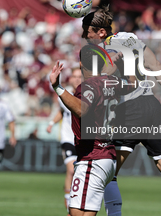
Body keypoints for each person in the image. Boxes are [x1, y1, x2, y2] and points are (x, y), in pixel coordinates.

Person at [81, 6, 161, 216]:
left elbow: (115, 62)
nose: (86, 38)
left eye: (88, 34)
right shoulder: (131, 38)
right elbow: (156, 65)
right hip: (152, 105)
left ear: (101, 32)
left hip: (129, 110)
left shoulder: (105, 48)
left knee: (108, 171)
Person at [49, 45, 136, 216]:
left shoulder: (87, 86)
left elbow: (82, 109)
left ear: (81, 65)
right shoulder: (113, 82)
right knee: (83, 213)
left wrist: (57, 87)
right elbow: (133, 84)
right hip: (107, 156)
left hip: (93, 157)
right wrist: (126, 65)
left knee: (77, 213)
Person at [46, 67, 82, 215]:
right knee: (71, 169)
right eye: (74, 76)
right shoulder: (64, 93)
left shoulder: (87, 94)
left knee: (79, 172)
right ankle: (68, 199)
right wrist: (51, 123)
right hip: (68, 138)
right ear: (70, 79)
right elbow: (61, 112)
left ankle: (75, 197)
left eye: (80, 76)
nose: (77, 79)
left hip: (82, 140)